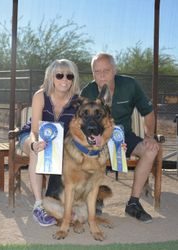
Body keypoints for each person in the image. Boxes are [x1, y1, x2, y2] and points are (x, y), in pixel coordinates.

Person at [80, 52, 159, 223]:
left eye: (106, 71)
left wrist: (150, 136)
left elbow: (148, 112)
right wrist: (93, 138)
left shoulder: (130, 84)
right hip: (97, 136)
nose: (101, 76)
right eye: (97, 71)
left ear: (114, 70)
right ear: (93, 73)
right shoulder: (88, 90)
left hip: (124, 135)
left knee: (151, 151)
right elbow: (81, 121)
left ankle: (133, 203)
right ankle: (96, 197)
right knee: (87, 152)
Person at [18, 59, 80, 226]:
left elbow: (77, 132)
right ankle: (39, 206)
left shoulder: (77, 101)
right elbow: (34, 131)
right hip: (31, 136)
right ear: (51, 77)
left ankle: (61, 205)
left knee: (71, 159)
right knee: (36, 153)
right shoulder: (40, 95)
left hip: (61, 143)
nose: (64, 80)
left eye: (69, 76)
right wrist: (34, 144)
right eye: (59, 75)